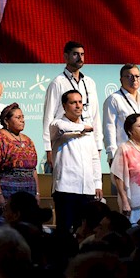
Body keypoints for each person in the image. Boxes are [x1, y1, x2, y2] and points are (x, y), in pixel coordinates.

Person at [42, 41, 101, 175]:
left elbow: (95, 116)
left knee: (89, 178)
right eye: (75, 54)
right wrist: (48, 149)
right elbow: (48, 117)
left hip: (88, 139)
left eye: (82, 54)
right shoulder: (57, 83)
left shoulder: (90, 83)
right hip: (66, 140)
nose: (80, 58)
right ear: (66, 57)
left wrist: (98, 146)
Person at [49, 89, 102, 234]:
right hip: (66, 188)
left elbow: (94, 158)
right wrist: (83, 128)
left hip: (87, 189)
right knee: (64, 231)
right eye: (73, 103)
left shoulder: (88, 128)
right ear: (64, 106)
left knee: (86, 230)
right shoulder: (56, 124)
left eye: (80, 102)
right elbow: (62, 127)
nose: (78, 106)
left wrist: (97, 182)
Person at [0, 103, 39, 224]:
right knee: (5, 226)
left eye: (23, 117)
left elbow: (33, 169)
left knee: (27, 226)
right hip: (7, 190)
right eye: (17, 117)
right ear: (6, 120)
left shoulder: (28, 140)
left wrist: (37, 193)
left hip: (28, 191)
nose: (22, 120)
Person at [103, 64, 140, 166]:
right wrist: (111, 154)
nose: (134, 79)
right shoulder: (114, 99)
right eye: (129, 76)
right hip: (125, 154)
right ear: (121, 80)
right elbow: (109, 128)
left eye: (137, 76)